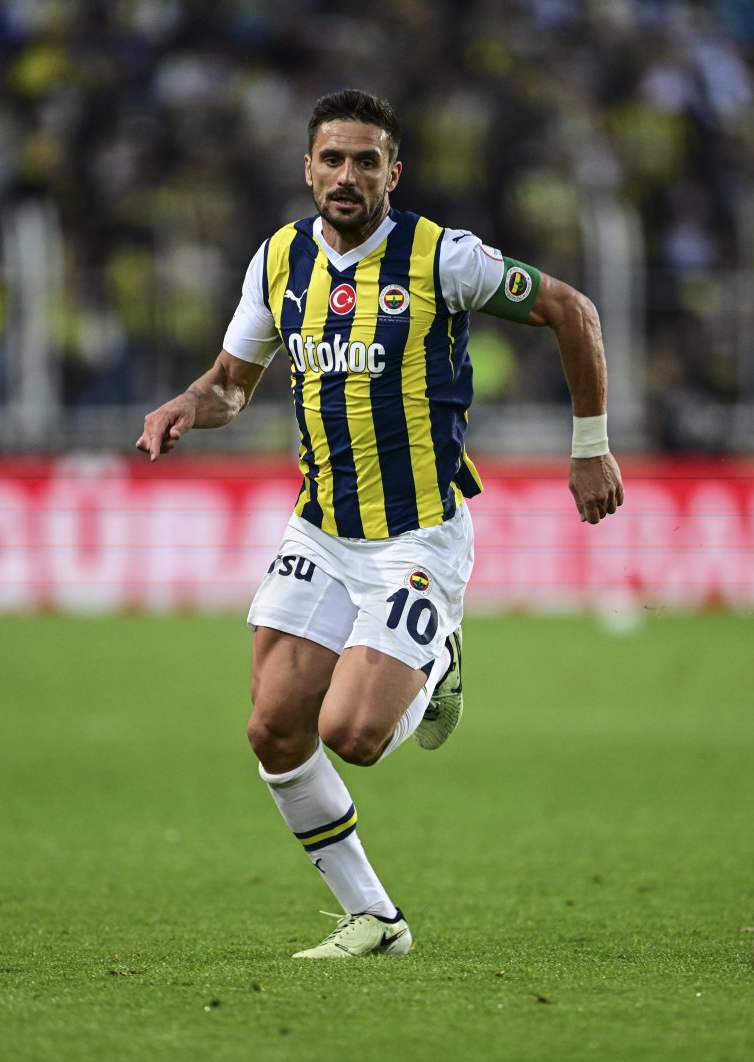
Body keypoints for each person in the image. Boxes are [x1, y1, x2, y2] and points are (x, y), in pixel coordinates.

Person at [136, 89, 624, 958]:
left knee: (352, 736)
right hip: (320, 528)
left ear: (394, 173)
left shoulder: (445, 258)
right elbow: (232, 386)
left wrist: (590, 444)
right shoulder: (279, 259)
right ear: (308, 170)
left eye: (367, 161)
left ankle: (436, 669)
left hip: (418, 535)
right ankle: (376, 920)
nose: (348, 176)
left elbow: (572, 310)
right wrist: (187, 402)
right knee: (273, 726)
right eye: (333, 159)